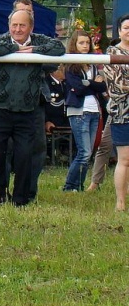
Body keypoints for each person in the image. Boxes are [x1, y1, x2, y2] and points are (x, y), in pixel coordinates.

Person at [0, 8, 65, 206]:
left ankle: (21, 200)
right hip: (0, 108)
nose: (18, 29)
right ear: (9, 25)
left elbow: (59, 48)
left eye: (22, 25)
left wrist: (32, 51)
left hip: (28, 110)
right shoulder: (0, 39)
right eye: (14, 25)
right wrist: (17, 49)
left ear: (31, 27)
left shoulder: (39, 40)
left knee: (24, 156)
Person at [61, 30, 107, 192]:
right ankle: (70, 186)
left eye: (87, 43)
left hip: (94, 110)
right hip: (79, 111)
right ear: (74, 44)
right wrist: (93, 83)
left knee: (89, 151)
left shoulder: (93, 64)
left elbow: (102, 86)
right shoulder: (71, 66)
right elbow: (78, 88)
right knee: (84, 152)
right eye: (81, 43)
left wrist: (89, 83)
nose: (85, 46)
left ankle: (78, 186)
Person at [102, 15, 129, 211]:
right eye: (126, 27)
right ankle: (120, 202)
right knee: (125, 159)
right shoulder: (112, 52)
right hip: (122, 113)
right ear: (119, 31)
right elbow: (117, 87)